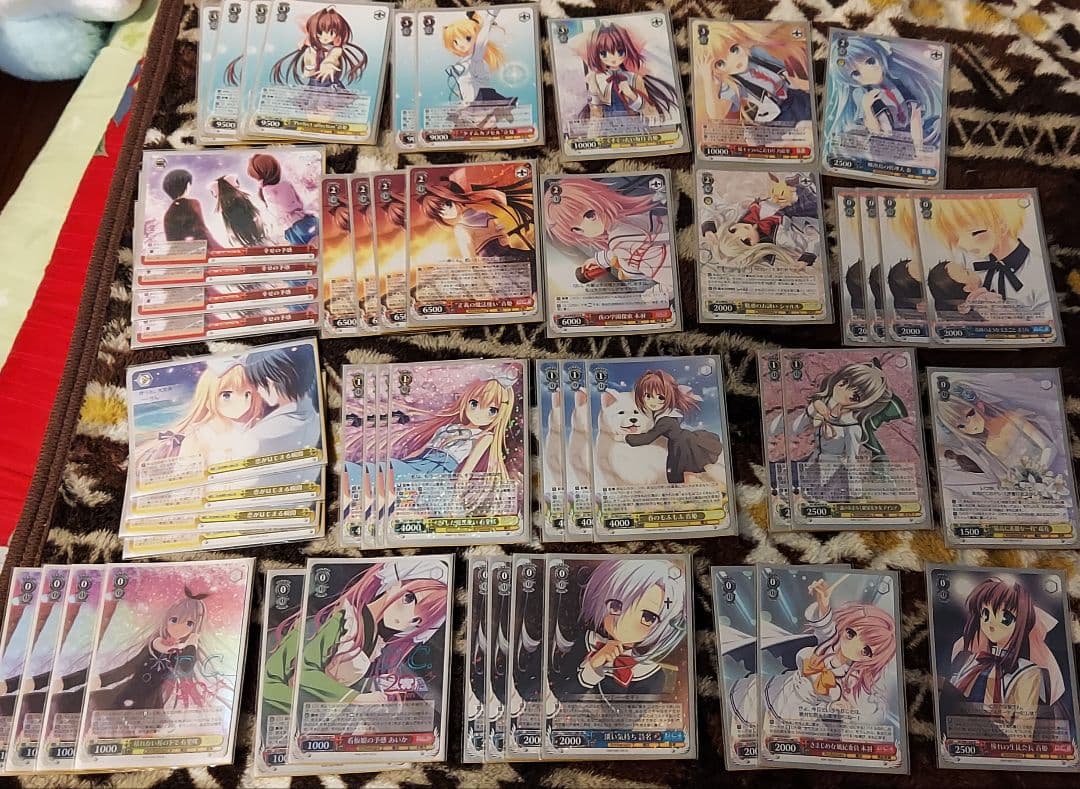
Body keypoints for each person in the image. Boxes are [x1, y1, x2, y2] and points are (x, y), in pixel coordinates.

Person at [945, 576, 1066, 741]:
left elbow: (1023, 734)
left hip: (996, 741)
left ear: (1022, 623)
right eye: (985, 614)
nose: (991, 624)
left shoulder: (1027, 672)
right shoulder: (969, 659)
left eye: (1005, 618)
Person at [549, 559, 687, 698]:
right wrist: (593, 665)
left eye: (647, 617)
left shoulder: (650, 675)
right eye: (616, 606)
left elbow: (632, 712)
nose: (623, 621)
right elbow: (559, 694)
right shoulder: (586, 642)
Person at [764, 578, 896, 722]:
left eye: (866, 650)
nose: (853, 645)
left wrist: (837, 706)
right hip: (782, 689)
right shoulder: (828, 643)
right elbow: (824, 627)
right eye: (851, 633)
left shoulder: (851, 678)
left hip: (802, 712)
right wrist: (824, 604)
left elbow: (852, 706)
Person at [824, 34, 942, 157]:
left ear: (880, 55)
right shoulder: (861, 94)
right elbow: (874, 132)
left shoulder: (900, 80)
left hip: (912, 135)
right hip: (885, 142)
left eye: (870, 61)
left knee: (938, 126)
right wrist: (867, 108)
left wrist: (919, 150)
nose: (868, 73)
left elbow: (915, 118)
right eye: (856, 73)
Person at [699, 22, 812, 125]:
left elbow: (784, 72)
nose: (734, 61)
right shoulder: (732, 84)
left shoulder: (756, 52)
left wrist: (806, 86)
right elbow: (716, 116)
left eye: (734, 49)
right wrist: (707, 79)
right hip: (778, 116)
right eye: (720, 63)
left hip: (794, 96)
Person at [624, 369, 724, 484]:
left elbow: (648, 438)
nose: (653, 401)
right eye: (648, 396)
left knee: (679, 475)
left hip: (682, 446)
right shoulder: (666, 413)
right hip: (684, 441)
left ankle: (700, 487)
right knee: (684, 474)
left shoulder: (665, 420)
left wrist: (627, 437)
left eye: (660, 397)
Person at [577, 23, 678, 121]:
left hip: (634, 126)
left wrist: (631, 94)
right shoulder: (597, 80)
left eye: (620, 51)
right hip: (608, 127)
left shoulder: (634, 78)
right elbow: (596, 113)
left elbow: (651, 113)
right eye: (604, 53)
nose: (613, 58)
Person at [242, 345, 321, 456]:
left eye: (258, 384)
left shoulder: (257, 436)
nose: (258, 391)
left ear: (270, 383)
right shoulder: (313, 416)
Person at [270, 6, 368, 89]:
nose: (325, 37)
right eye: (320, 32)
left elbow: (333, 57)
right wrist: (309, 67)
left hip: (330, 85)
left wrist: (328, 64)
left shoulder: (336, 49)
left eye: (331, 33)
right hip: (314, 84)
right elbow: (308, 70)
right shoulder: (311, 50)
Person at [246, 153, 319, 246]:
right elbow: (292, 205)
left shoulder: (265, 190)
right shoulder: (282, 186)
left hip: (290, 229)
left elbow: (278, 210)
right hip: (300, 223)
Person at [161, 169, 220, 248]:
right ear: (187, 185)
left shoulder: (168, 214)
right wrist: (218, 249)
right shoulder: (193, 203)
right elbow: (202, 231)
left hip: (180, 251)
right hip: (201, 249)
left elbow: (172, 241)